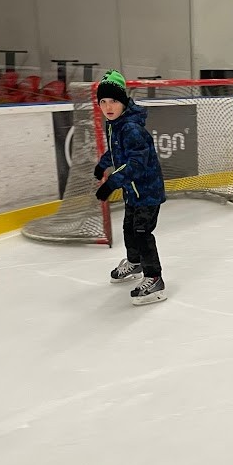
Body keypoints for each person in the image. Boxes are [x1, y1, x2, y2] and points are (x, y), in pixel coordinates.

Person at [93, 70, 167, 306]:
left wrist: (111, 183)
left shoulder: (132, 128)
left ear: (123, 102)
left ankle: (154, 278)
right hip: (132, 192)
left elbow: (136, 163)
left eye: (114, 101)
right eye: (103, 102)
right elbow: (116, 152)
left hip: (147, 191)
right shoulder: (115, 125)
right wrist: (103, 165)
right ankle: (135, 264)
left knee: (142, 233)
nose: (108, 107)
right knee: (129, 229)